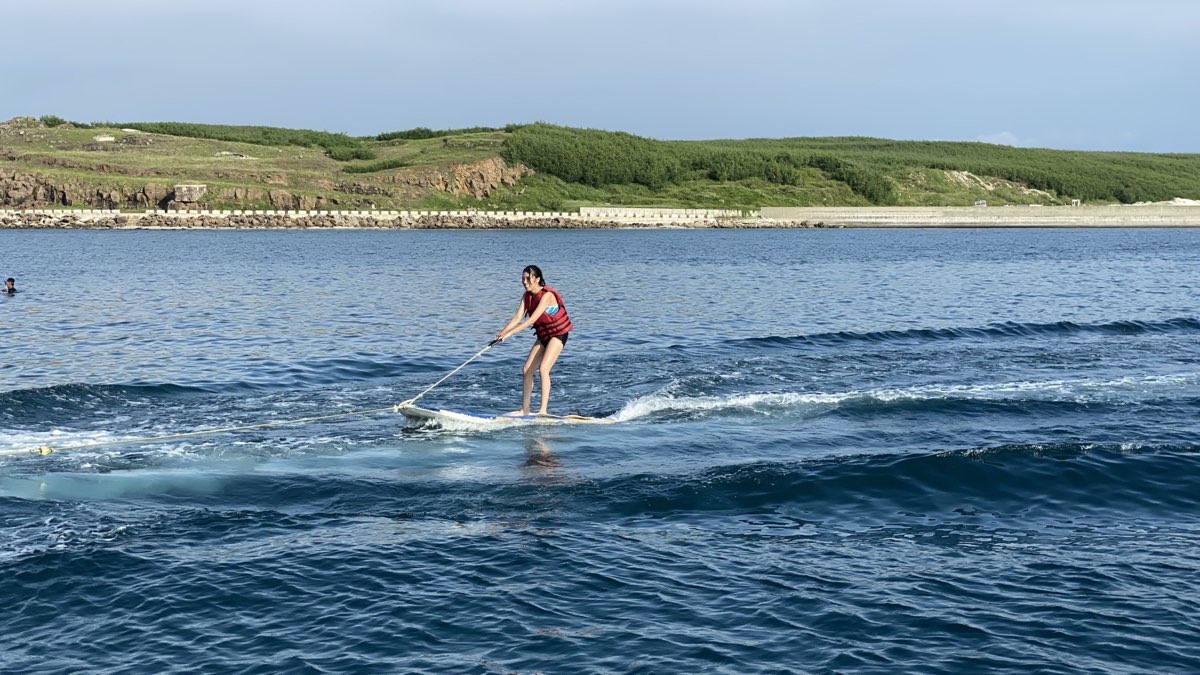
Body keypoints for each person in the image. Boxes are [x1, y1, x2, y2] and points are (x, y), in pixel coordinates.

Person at [495, 265, 573, 416]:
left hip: (558, 334)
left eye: (528, 278)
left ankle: (543, 411)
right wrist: (502, 333)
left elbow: (532, 320)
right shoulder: (527, 296)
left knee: (543, 369)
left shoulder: (547, 295)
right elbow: (517, 317)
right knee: (527, 370)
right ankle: (525, 410)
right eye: (523, 278)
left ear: (537, 279)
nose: (524, 281)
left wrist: (510, 334)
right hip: (544, 336)